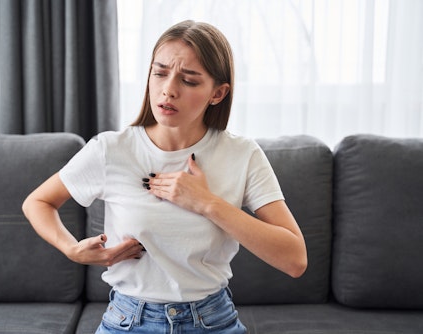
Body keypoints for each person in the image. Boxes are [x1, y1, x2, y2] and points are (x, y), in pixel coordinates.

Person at [22, 20, 307, 333]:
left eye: (189, 80)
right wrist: (71, 249)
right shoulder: (111, 149)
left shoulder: (242, 155)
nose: (168, 89)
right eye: (159, 73)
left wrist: (207, 203)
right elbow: (38, 201)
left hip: (213, 320)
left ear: (218, 93)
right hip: (128, 321)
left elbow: (294, 260)